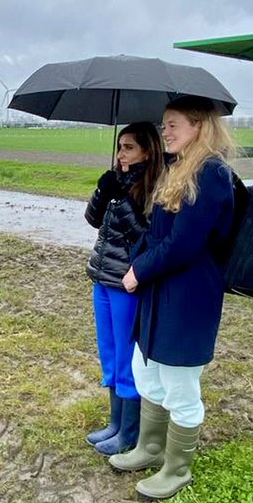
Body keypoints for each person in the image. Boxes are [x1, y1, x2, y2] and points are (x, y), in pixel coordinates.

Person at [107, 98, 236, 500]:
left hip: (188, 295)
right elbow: (157, 230)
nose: (165, 131)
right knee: (146, 369)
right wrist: (137, 258)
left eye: (172, 124)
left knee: (180, 382)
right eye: (163, 125)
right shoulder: (179, 169)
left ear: (198, 125)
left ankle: (177, 468)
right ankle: (149, 447)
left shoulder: (212, 173)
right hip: (161, 290)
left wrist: (140, 270)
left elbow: (185, 243)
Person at [83, 122, 163, 456]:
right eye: (119, 147)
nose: (121, 154)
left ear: (147, 150)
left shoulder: (155, 186)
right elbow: (93, 219)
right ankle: (115, 423)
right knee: (110, 354)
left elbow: (144, 236)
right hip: (102, 279)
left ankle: (129, 432)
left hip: (126, 285)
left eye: (129, 147)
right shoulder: (117, 180)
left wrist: (124, 199)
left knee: (129, 358)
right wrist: (104, 190)